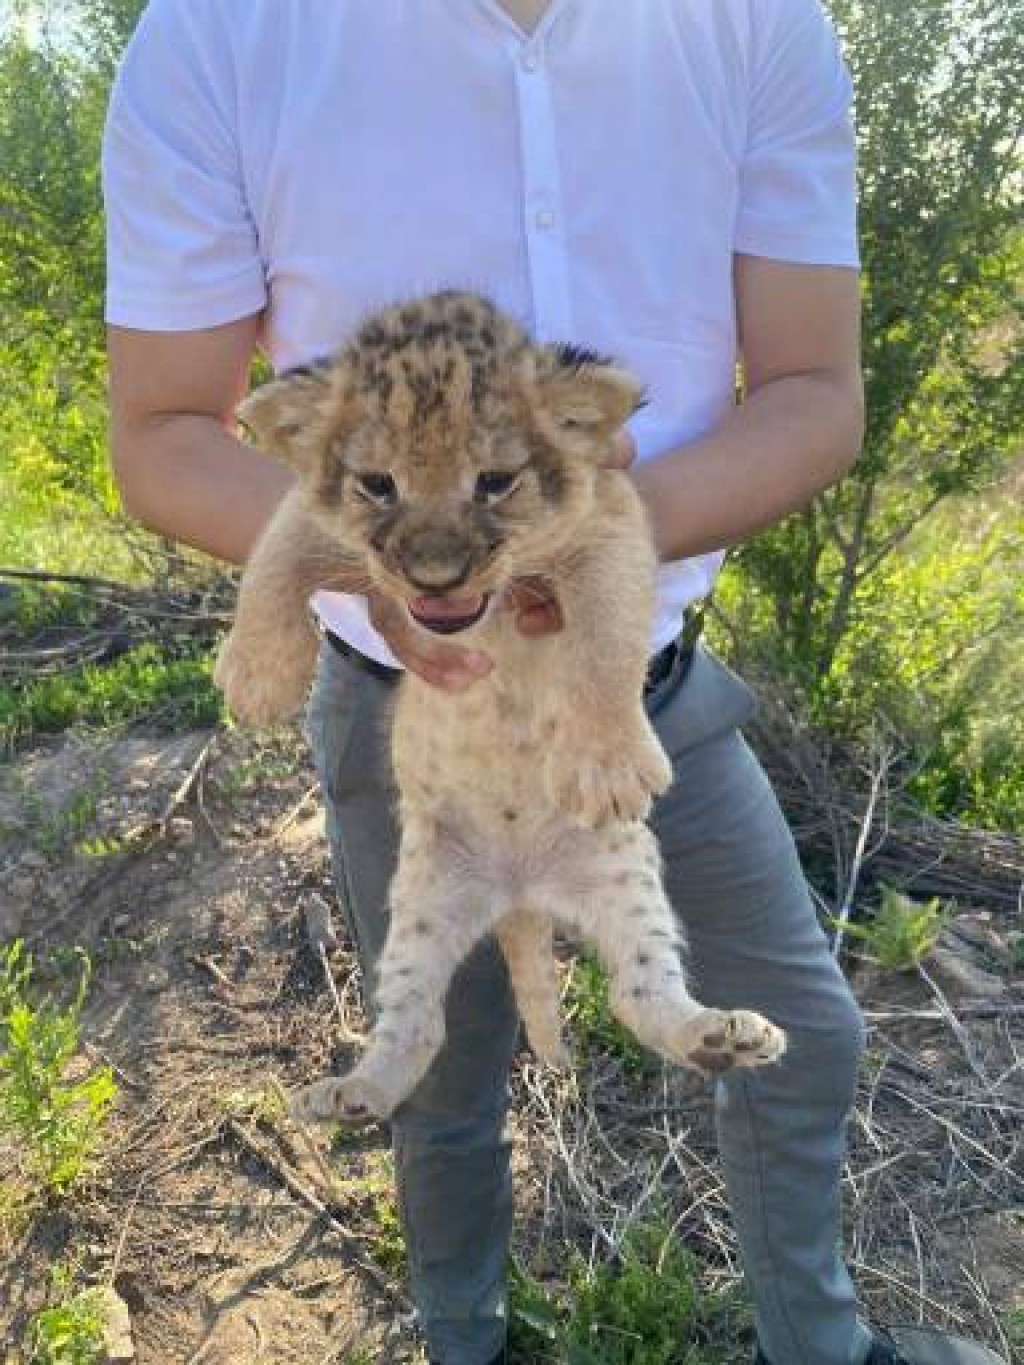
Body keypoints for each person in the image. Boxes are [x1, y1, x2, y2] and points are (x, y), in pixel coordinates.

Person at [101, 3, 1006, 1363]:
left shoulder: (760, 24)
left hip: (639, 689)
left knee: (803, 1029)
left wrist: (586, 548)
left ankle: (818, 1344)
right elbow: (164, 429)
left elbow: (817, 391)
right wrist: (387, 569)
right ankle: (465, 1341)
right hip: (409, 711)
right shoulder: (223, 33)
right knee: (443, 1066)